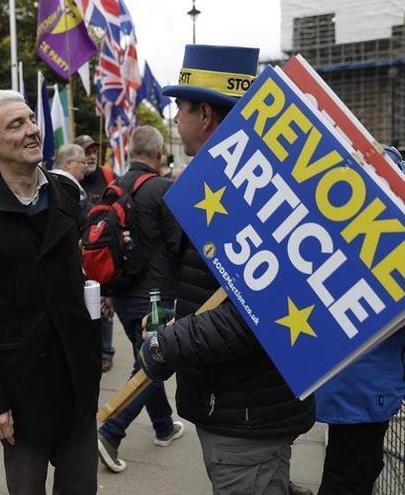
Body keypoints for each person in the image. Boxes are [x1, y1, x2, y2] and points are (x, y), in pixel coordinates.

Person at [138, 45, 316, 494]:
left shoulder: (247, 190)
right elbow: (227, 293)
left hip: (247, 415)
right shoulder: (231, 179)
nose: (174, 117)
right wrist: (179, 322)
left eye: (180, 107)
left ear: (204, 113)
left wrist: (168, 343)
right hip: (240, 408)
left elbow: (258, 314)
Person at [0, 90, 101, 494]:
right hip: (21, 394)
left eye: (31, 119)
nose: (33, 130)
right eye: (16, 124)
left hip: (76, 382)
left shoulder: (66, 194)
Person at [313, 146, 405, 495]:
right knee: (351, 477)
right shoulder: (386, 237)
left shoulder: (333, 223)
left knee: (341, 468)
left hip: (333, 376)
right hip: (364, 391)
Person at [96, 125, 186, 473]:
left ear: (131, 150)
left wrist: (106, 290)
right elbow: (180, 245)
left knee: (146, 360)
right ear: (159, 153)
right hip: (157, 298)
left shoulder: (113, 188)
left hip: (122, 297)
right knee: (153, 365)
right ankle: (110, 432)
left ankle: (164, 426)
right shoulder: (163, 190)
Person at [75, 134, 117, 372]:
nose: (90, 156)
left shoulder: (108, 175)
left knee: (103, 303)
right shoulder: (74, 179)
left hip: (101, 252)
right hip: (79, 253)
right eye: (86, 152)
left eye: (93, 152)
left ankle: (105, 352)